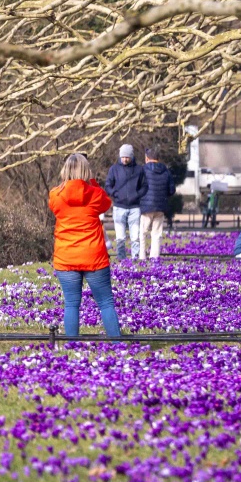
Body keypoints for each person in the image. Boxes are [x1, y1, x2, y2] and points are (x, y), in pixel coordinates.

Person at [48, 154, 122, 338]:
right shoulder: (95, 194)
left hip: (66, 256)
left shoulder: (55, 194)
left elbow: (54, 208)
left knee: (71, 303)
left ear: (65, 170)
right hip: (93, 256)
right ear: (86, 171)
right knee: (105, 302)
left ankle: (72, 344)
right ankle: (118, 345)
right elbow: (106, 204)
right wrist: (93, 183)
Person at [104, 144, 148, 259]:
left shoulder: (139, 170)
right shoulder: (114, 169)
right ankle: (121, 258)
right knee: (120, 237)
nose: (124, 159)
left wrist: (137, 195)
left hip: (134, 207)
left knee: (135, 236)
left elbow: (144, 186)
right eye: (122, 157)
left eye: (127, 157)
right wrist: (114, 193)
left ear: (131, 156)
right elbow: (108, 185)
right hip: (119, 206)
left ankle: (135, 258)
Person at [138, 147, 176, 260]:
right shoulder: (166, 171)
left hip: (145, 206)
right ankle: (154, 257)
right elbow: (171, 190)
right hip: (160, 206)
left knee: (143, 232)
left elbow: (138, 187)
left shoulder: (142, 170)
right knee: (157, 233)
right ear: (158, 158)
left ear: (147, 158)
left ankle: (142, 256)